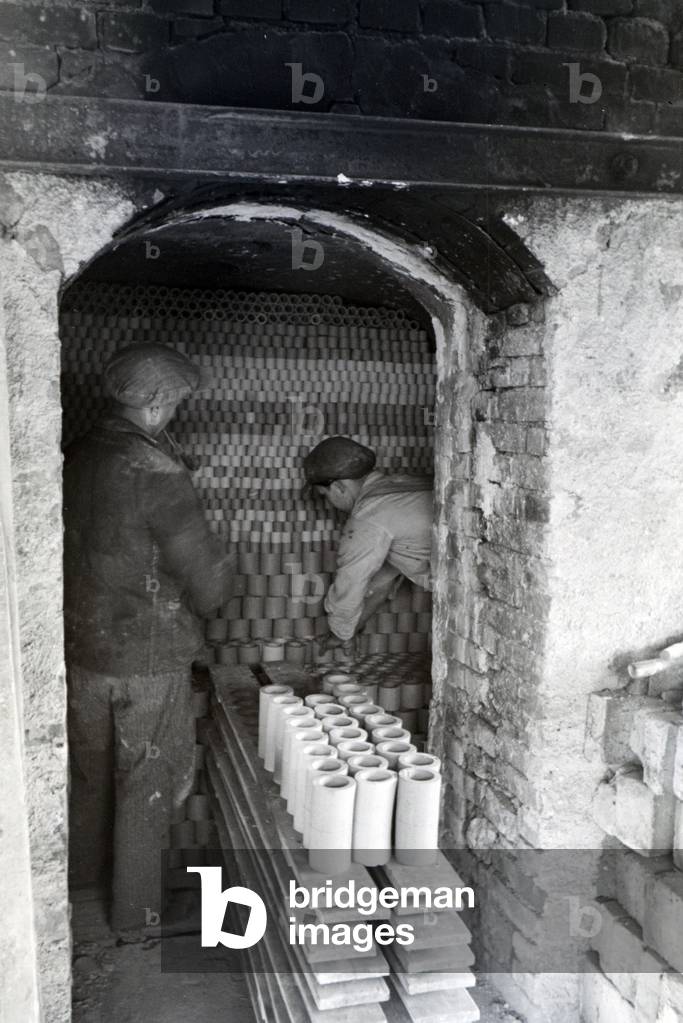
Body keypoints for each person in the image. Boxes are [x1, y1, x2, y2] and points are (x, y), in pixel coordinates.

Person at [63, 343, 233, 938]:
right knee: (146, 779)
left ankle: (80, 901)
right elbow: (205, 577)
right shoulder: (155, 470)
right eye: (177, 402)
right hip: (148, 653)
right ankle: (138, 917)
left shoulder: (78, 453)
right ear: (158, 401)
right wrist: (220, 583)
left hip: (82, 648)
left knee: (89, 774)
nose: (177, 411)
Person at [303, 436, 433, 653]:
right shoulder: (401, 486)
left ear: (340, 487)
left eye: (325, 495)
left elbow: (351, 581)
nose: (329, 503)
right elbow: (380, 583)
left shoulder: (369, 516)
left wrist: (339, 631)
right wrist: (348, 631)